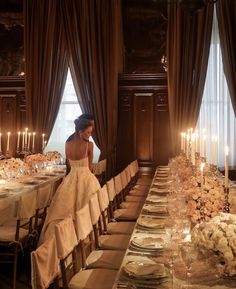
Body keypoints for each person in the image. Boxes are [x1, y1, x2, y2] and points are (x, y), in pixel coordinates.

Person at [38, 118, 100, 244]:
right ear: (80, 131)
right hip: (86, 177)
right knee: (86, 209)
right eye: (88, 133)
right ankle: (85, 240)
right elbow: (90, 167)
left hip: (70, 178)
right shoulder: (89, 145)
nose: (90, 135)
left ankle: (61, 241)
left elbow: (69, 166)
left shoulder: (67, 144)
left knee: (64, 210)